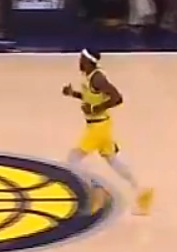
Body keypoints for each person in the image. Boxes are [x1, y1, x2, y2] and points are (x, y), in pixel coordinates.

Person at [62, 50, 154, 216]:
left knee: (73, 159)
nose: (79, 62)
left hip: (98, 127)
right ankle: (142, 190)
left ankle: (97, 189)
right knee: (114, 160)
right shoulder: (89, 77)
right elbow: (91, 97)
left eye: (82, 59)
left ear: (89, 61)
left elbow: (117, 97)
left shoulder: (98, 78)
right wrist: (73, 94)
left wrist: (95, 109)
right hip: (100, 125)